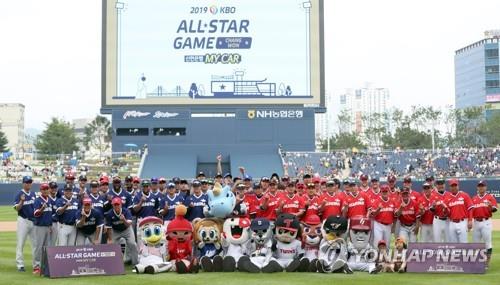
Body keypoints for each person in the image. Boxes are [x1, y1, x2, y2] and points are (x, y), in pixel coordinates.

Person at [471, 180, 497, 269]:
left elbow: (494, 209)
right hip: (476, 222)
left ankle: (486, 262)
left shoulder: (490, 197)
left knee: (487, 243)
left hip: (486, 222)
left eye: (482, 186)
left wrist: (490, 207)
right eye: (479, 186)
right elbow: (470, 211)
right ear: (477, 187)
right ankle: (478, 261)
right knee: (476, 244)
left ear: (486, 187)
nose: (481, 187)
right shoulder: (474, 198)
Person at [105, 197, 138, 265]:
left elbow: (128, 224)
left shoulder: (126, 211)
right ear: (112, 205)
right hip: (115, 231)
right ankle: (115, 264)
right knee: (111, 245)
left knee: (133, 244)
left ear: (121, 205)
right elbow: (109, 228)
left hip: (127, 230)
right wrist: (110, 239)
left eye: (118, 204)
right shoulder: (109, 214)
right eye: (115, 204)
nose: (116, 206)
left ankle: (135, 263)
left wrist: (124, 220)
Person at [14, 175, 36, 272]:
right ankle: (20, 265)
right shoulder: (19, 194)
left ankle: (36, 265)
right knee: (21, 243)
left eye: (30, 182)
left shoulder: (33, 194)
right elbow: (17, 208)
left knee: (35, 244)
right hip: (23, 220)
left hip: (33, 221)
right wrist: (22, 201)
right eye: (27, 182)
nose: (28, 184)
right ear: (23, 183)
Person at [33, 183, 54, 275]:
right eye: (43, 189)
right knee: (39, 247)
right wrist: (41, 209)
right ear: (41, 190)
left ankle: (44, 265)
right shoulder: (38, 200)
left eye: (46, 189)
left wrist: (50, 226)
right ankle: (36, 266)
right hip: (40, 227)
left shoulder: (49, 200)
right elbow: (35, 214)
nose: (45, 190)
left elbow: (50, 214)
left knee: (46, 247)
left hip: (48, 226)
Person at [444, 179, 473, 243]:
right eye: (452, 186)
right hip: (451, 223)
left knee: (464, 242)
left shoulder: (465, 195)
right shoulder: (447, 198)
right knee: (453, 244)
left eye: (455, 185)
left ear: (458, 186)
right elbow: (447, 214)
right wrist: (445, 210)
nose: (454, 187)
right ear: (449, 187)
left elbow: (470, 208)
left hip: (462, 222)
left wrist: (470, 220)